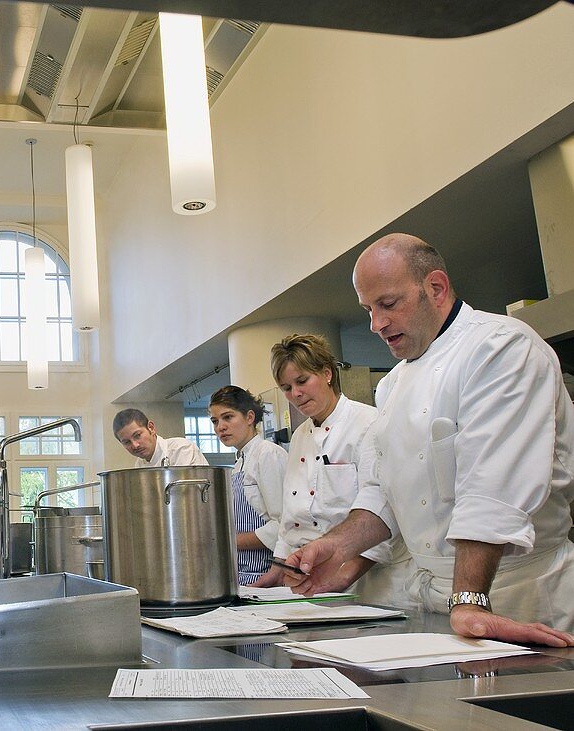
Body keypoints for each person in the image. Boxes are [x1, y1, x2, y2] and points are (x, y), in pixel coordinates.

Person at [286, 233, 574, 647]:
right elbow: (381, 495)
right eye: (368, 310)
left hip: (520, 595)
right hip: (443, 603)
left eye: (388, 304)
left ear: (436, 288)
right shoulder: (391, 386)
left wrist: (471, 598)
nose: (376, 324)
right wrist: (332, 545)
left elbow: (491, 487)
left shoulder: (501, 347)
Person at [267, 334, 409, 603]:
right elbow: (290, 513)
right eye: (286, 387)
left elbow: (383, 510)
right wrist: (280, 568)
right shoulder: (299, 436)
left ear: (327, 373)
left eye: (302, 381)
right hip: (312, 578)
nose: (295, 394)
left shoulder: (369, 424)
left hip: (368, 582)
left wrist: (342, 578)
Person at [209, 386, 288, 585]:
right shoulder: (240, 462)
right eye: (215, 421)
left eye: (228, 417)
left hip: (266, 575)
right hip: (242, 575)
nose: (221, 427)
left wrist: (229, 542)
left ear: (250, 417)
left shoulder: (268, 454)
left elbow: (283, 525)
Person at [112, 408, 208, 467]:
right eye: (127, 442)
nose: (135, 445)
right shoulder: (140, 464)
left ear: (151, 427)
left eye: (137, 436)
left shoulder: (182, 449)